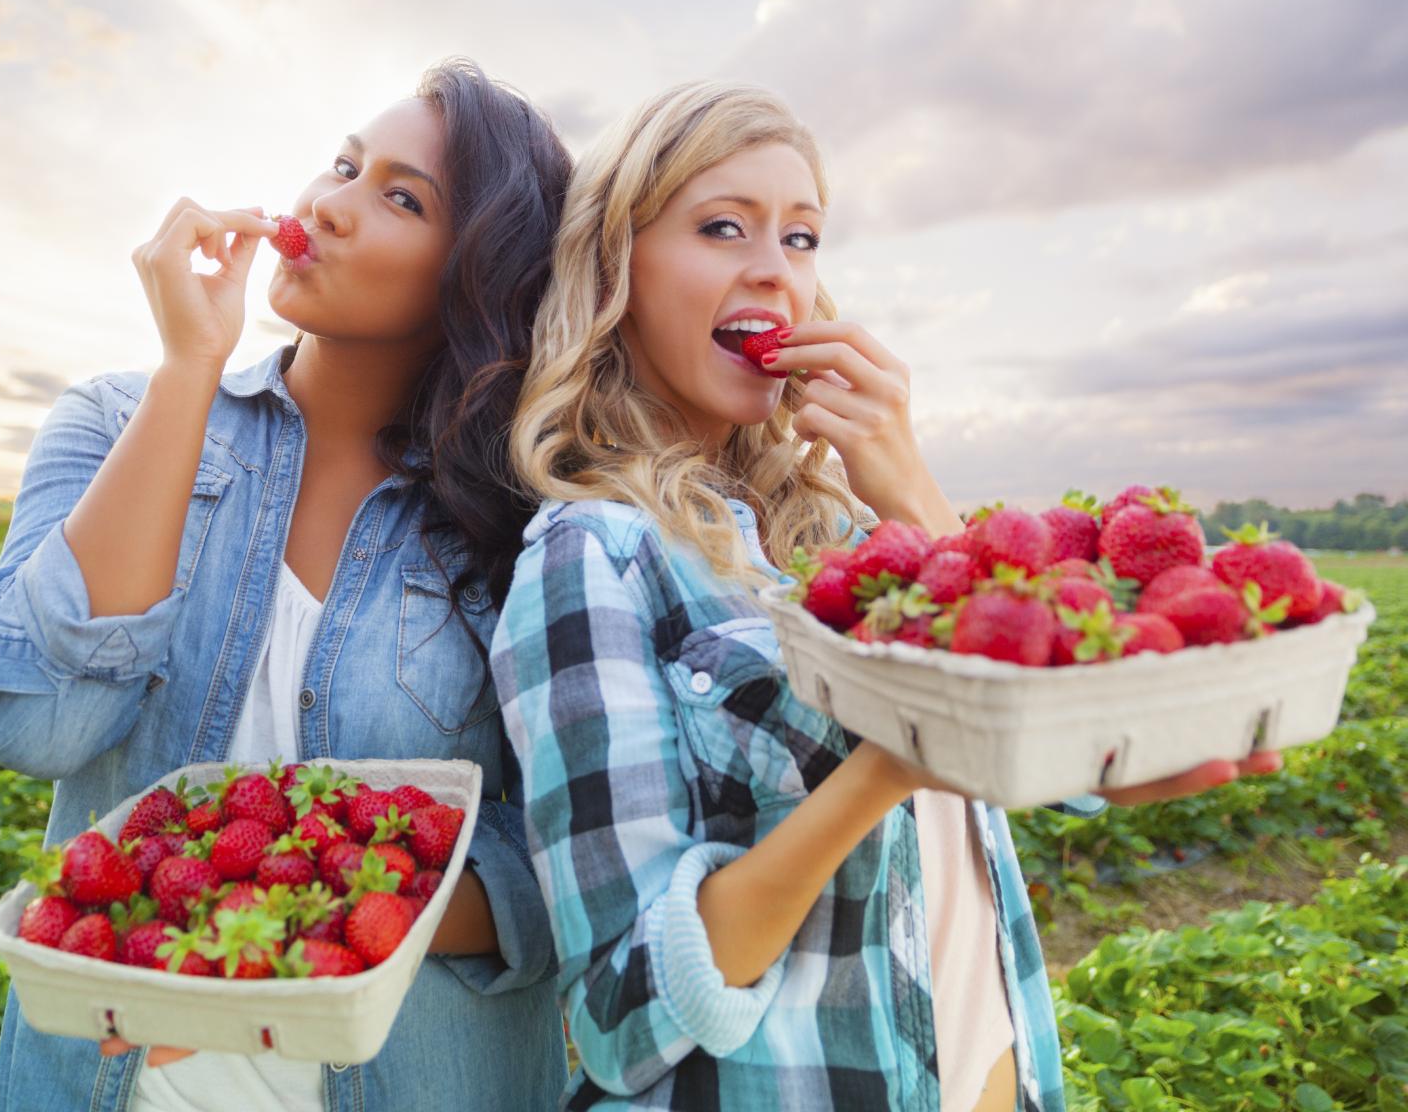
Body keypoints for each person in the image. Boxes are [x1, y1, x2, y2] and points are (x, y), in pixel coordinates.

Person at [493, 80, 1281, 1110]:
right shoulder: (593, 554)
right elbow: (621, 1016)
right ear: (615, 268)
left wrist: (910, 490)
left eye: (803, 238)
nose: (773, 271)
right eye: (721, 227)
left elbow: (1066, 748)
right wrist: (881, 771)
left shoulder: (852, 533)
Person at [0, 58, 572, 1112]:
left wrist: (288, 909)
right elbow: (39, 731)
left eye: (400, 197)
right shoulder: (110, 421)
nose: (330, 206)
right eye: (343, 165)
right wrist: (187, 372)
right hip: (109, 1082)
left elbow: (573, 867)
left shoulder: (534, 515)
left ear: (479, 274)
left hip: (422, 1074)